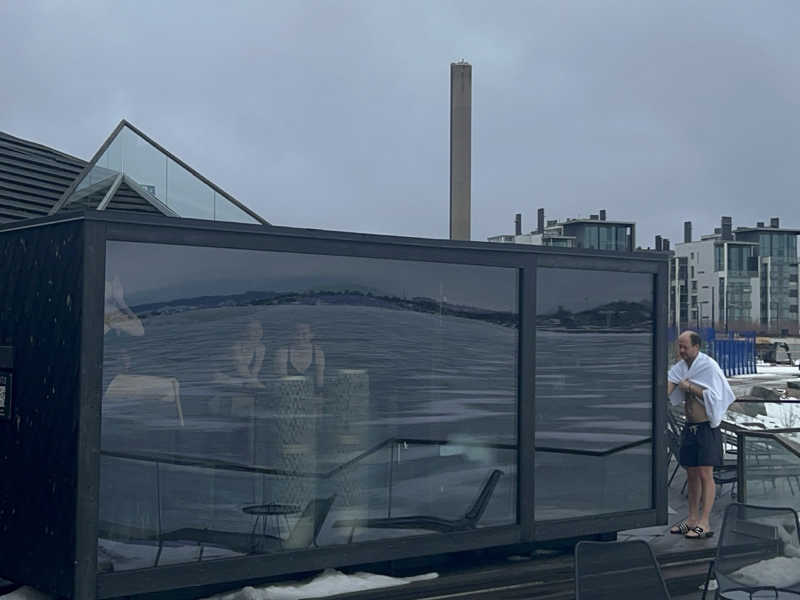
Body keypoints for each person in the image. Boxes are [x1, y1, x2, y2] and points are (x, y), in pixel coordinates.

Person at [667, 330, 735, 539]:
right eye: (679, 346)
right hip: (690, 427)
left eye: (685, 347)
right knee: (691, 474)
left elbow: (717, 395)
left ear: (696, 347)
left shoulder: (708, 367)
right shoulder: (681, 367)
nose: (681, 350)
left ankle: (704, 523)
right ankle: (691, 519)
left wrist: (689, 387)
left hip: (706, 428)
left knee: (706, 474)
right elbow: (668, 386)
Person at [274, 323, 325, 388]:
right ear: (292, 335)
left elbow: (319, 381)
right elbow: (282, 381)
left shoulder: (318, 353)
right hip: (287, 391)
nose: (300, 338)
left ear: (312, 335)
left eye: (304, 334)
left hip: (312, 393)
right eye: (297, 334)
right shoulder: (283, 352)